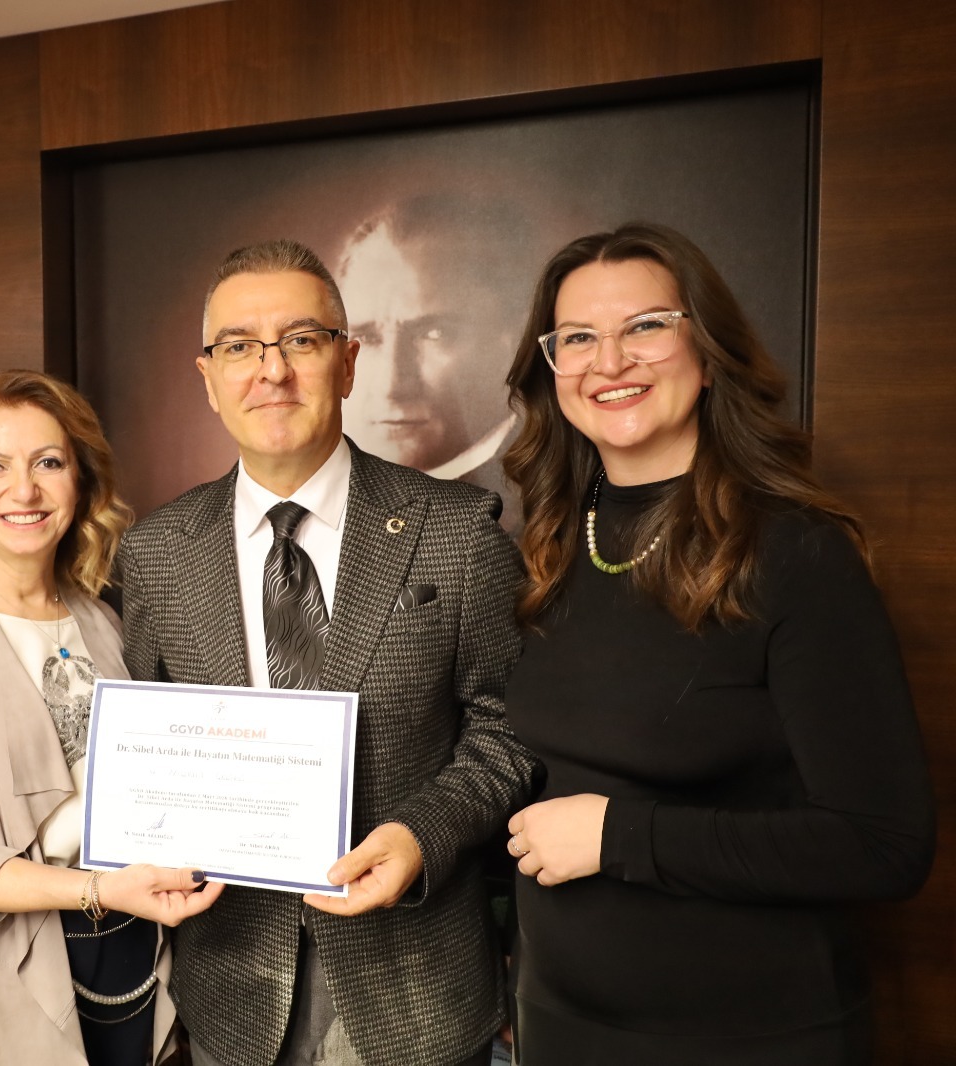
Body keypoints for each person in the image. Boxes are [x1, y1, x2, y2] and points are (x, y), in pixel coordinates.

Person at [500, 222, 935, 1064]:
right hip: (561, 1026)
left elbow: (884, 843)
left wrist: (621, 837)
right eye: (578, 338)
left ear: (708, 350)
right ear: (551, 369)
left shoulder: (796, 552)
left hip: (750, 1034)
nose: (610, 361)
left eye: (646, 326)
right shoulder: (550, 547)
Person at [117, 239, 536, 1066]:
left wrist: (420, 834)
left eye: (300, 341)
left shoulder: (457, 533)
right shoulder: (156, 553)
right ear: (208, 377)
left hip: (415, 986)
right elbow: (153, 747)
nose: (270, 370)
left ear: (346, 364)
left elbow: (511, 729)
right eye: (240, 346)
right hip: (231, 990)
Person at [0, 370, 222, 1066]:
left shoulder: (108, 622)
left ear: (80, 482)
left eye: (48, 463)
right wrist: (99, 889)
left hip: (131, 958)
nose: (23, 490)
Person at [335, 193, 545, 530]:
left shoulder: (547, 503)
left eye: (433, 333)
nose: (392, 385)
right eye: (367, 338)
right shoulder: (329, 498)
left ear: (513, 341)